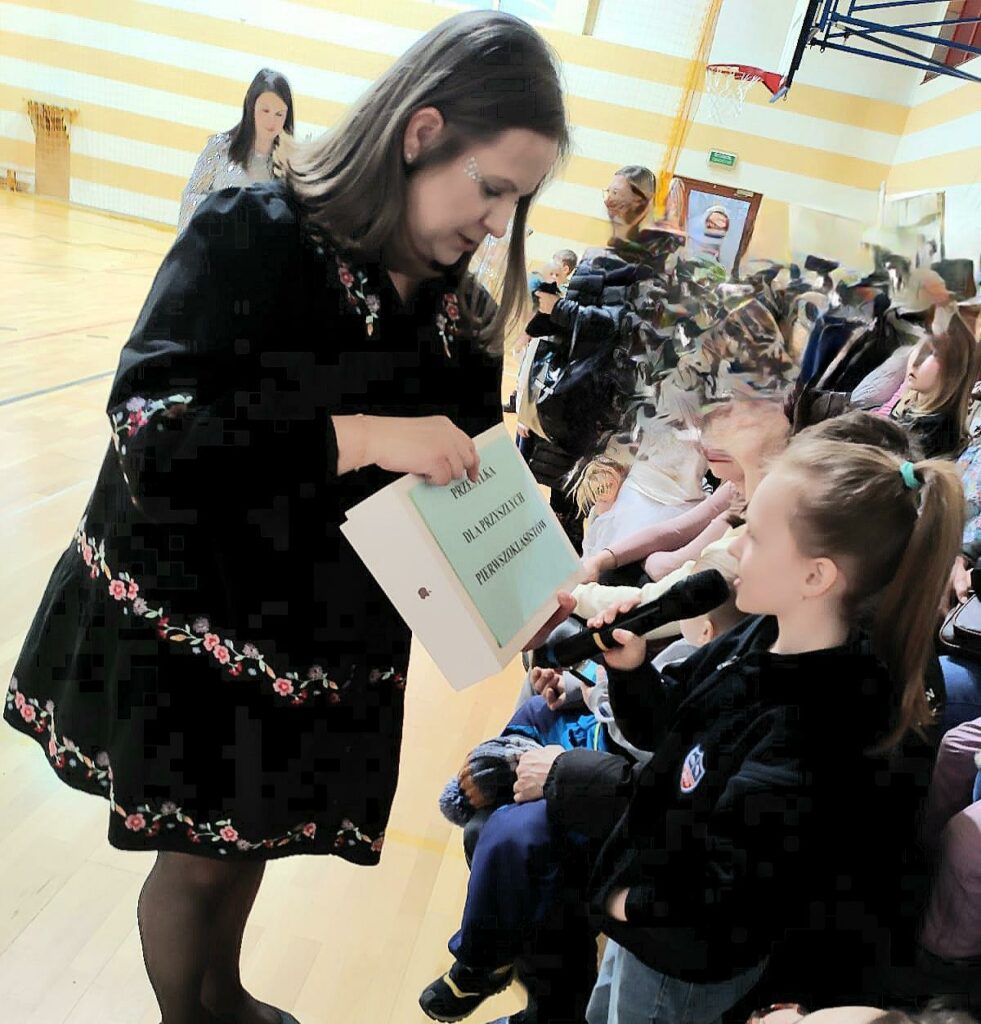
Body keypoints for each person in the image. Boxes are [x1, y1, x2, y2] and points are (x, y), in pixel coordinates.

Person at [4, 13, 569, 1024]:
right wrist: (358, 434)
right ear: (419, 131)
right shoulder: (250, 235)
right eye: (491, 187)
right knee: (198, 862)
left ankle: (223, 994)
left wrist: (519, 587)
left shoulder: (458, 312)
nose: (497, 223)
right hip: (200, 625)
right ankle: (198, 1013)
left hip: (315, 641)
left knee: (245, 842)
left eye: (517, 202)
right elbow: (153, 431)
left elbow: (472, 472)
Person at [577, 434, 960, 1023]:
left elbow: (733, 894)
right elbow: (670, 726)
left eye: (753, 537)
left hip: (677, 960)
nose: (736, 551)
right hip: (649, 908)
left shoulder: (819, 729)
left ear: (816, 576)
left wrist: (630, 903)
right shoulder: (767, 631)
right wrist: (630, 673)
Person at [177, 68, 295, 234]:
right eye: (265, 110)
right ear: (250, 105)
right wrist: (225, 213)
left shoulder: (290, 163)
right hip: (212, 251)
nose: (271, 120)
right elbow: (190, 198)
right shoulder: (220, 147)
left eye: (279, 114)